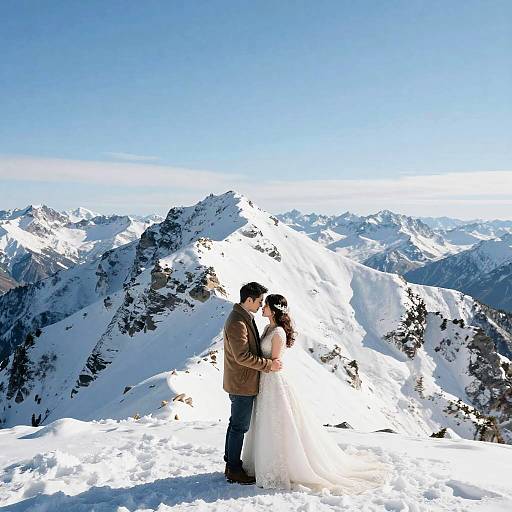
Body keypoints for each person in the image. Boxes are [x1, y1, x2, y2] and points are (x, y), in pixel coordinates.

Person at [242, 293, 388, 493]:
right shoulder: (269, 328)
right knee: (266, 422)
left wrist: (258, 363)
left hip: (272, 381)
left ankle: (281, 467)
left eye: (265, 305)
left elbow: (275, 363)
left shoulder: (278, 333)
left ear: (274, 309)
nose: (263, 308)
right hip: (265, 380)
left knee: (276, 422)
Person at [223, 282, 282, 484]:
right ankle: (233, 469)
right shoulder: (237, 322)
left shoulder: (244, 317)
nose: (260, 305)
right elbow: (242, 356)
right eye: (259, 301)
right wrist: (268, 365)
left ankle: (230, 464)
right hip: (242, 383)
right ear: (249, 300)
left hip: (243, 381)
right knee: (239, 427)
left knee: (235, 425)